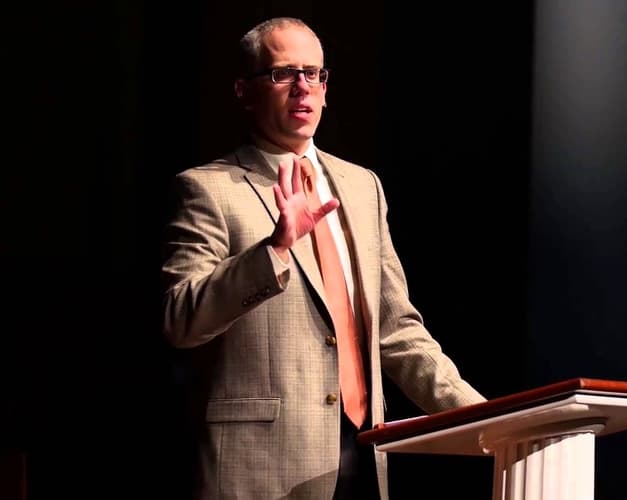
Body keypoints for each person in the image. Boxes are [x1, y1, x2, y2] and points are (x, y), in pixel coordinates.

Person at [159, 16, 486, 500]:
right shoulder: (207, 189)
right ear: (244, 91)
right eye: (282, 74)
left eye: (314, 73)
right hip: (263, 468)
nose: (302, 88)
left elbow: (397, 331)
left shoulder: (362, 186)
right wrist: (274, 248)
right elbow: (180, 320)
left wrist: (487, 418)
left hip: (364, 455)